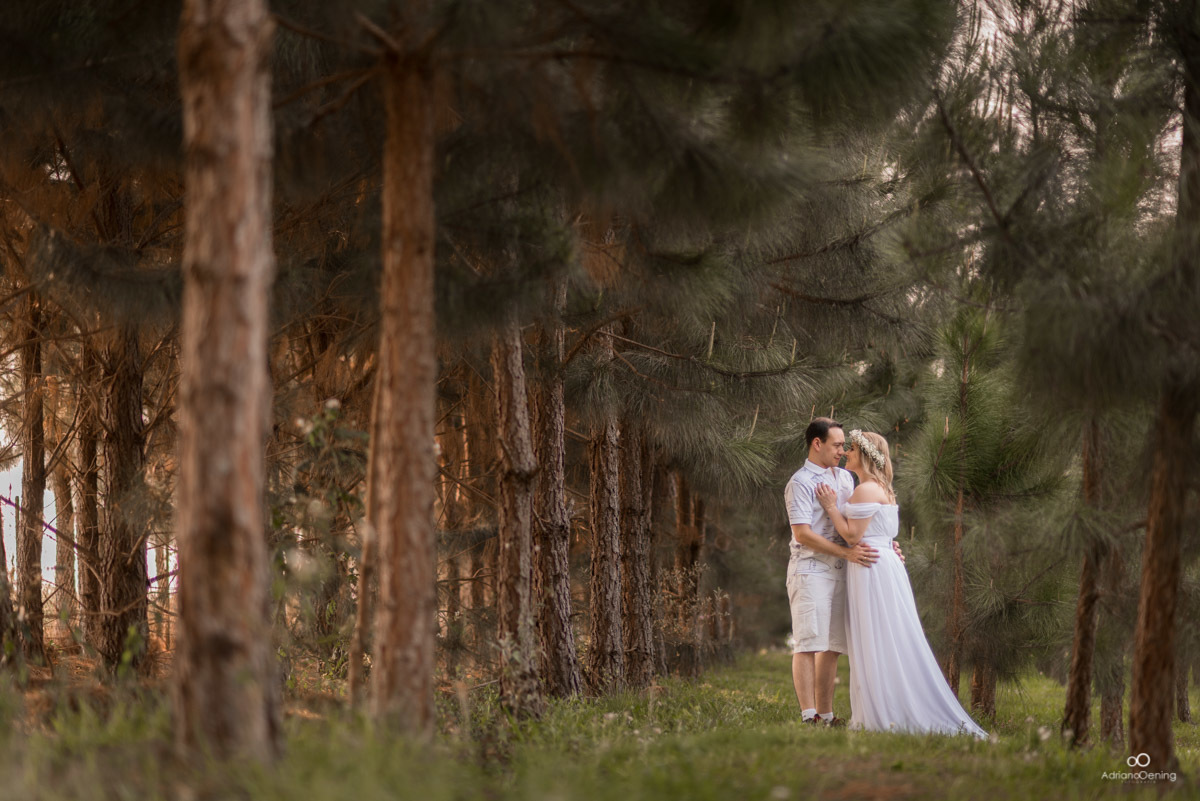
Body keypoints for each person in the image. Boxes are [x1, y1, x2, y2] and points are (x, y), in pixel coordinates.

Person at [815, 429, 987, 739]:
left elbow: (852, 536)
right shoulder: (879, 487)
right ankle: (885, 705)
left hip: (871, 569)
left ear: (865, 455)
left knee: (877, 638)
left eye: (852, 449)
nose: (847, 453)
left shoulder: (866, 489)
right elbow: (879, 534)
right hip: (877, 565)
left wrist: (830, 506)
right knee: (882, 637)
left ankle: (887, 711)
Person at [785, 418, 902, 726]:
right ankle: (809, 716)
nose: (842, 451)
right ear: (817, 444)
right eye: (837, 445)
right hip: (811, 570)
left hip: (843, 571)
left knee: (832, 646)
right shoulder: (800, 482)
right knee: (808, 643)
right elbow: (802, 534)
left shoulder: (846, 479)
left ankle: (826, 714)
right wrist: (847, 552)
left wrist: (886, 544)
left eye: (844, 446)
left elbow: (858, 524)